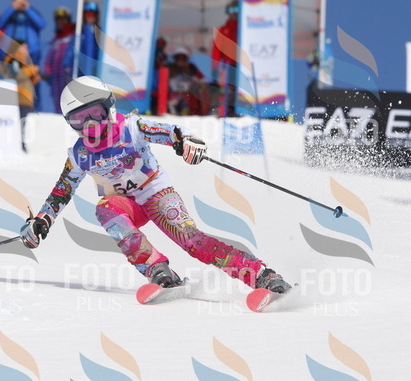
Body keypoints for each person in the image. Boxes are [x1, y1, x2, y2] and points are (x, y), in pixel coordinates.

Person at [19, 76, 292, 294]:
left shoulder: (131, 128)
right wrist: (41, 220)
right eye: (80, 119)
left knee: (192, 241)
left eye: (96, 114)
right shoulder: (80, 154)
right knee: (105, 209)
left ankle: (261, 274)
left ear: (109, 108)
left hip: (157, 195)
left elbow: (170, 132)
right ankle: (157, 269)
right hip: (127, 206)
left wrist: (187, 142)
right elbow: (61, 191)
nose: (90, 125)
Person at [0, 39, 41, 152]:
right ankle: (18, 146)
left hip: (23, 97)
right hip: (18, 98)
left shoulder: (21, 62)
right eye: (24, 47)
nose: (27, 50)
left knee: (21, 122)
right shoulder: (13, 60)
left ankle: (18, 145)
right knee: (19, 123)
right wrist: (32, 70)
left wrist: (33, 79)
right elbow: (17, 75)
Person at [43, 7, 75, 114]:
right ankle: (59, 115)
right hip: (56, 75)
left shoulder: (73, 36)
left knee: (68, 95)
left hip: (67, 72)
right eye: (58, 20)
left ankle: (70, 115)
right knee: (57, 96)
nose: (61, 22)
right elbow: (50, 58)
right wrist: (48, 71)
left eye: (63, 19)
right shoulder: (56, 39)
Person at [211, 0, 239, 116]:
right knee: (227, 91)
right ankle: (226, 112)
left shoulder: (245, 29)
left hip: (243, 66)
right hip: (228, 66)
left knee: (242, 91)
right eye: (231, 10)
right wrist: (214, 69)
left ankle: (241, 111)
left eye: (236, 9)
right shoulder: (223, 30)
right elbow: (216, 52)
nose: (234, 13)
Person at [0, 0, 46, 65]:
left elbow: (41, 24)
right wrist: (12, 8)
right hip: (11, 50)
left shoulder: (32, 12)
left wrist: (27, 9)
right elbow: (0, 24)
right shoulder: (10, 13)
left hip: (29, 51)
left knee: (29, 70)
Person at [167, 47, 205, 115]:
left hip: (187, 95)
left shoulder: (191, 68)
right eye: (178, 59)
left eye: (183, 59)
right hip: (173, 94)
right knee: (172, 105)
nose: (181, 61)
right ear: (175, 59)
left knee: (187, 105)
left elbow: (200, 80)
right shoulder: (170, 69)